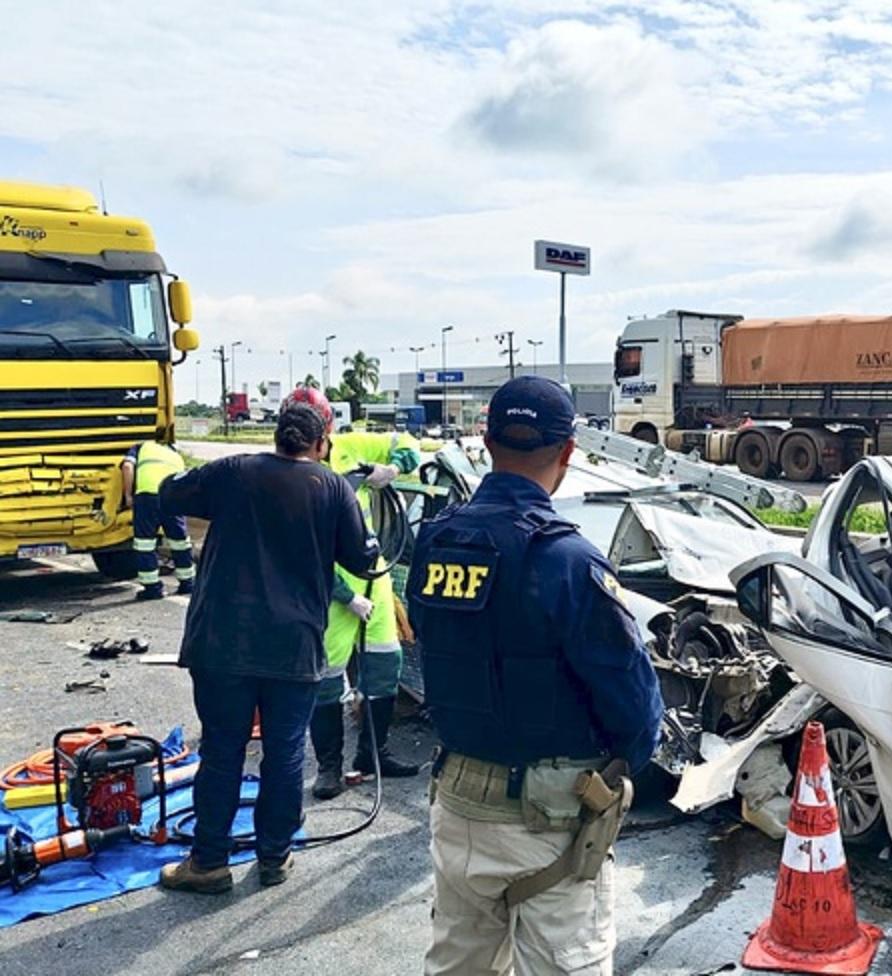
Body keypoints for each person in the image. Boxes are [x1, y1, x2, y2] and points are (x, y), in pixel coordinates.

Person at [409, 376, 663, 976]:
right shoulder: (568, 560)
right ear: (568, 453)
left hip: (458, 804)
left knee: (458, 964)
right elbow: (634, 706)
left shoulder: (435, 541)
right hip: (549, 820)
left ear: (486, 440)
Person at [156, 400, 379, 894]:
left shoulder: (234, 471)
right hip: (292, 647)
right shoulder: (333, 488)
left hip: (222, 643)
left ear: (278, 436)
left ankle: (209, 862)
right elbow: (363, 559)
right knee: (283, 754)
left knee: (222, 751)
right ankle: (275, 857)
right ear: (321, 443)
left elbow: (169, 494)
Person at [310, 417, 424, 798]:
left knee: (385, 664)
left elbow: (406, 441)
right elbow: (307, 549)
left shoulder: (351, 446)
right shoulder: (297, 475)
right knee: (326, 677)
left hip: (374, 583)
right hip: (331, 591)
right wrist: (345, 596)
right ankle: (329, 768)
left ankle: (373, 754)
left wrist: (391, 468)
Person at [119, 440, 195, 599]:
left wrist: (127, 495)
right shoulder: (174, 453)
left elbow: (127, 466)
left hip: (147, 496)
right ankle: (187, 583)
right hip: (173, 496)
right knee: (179, 541)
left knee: (145, 543)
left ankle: (152, 588)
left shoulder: (142, 447)